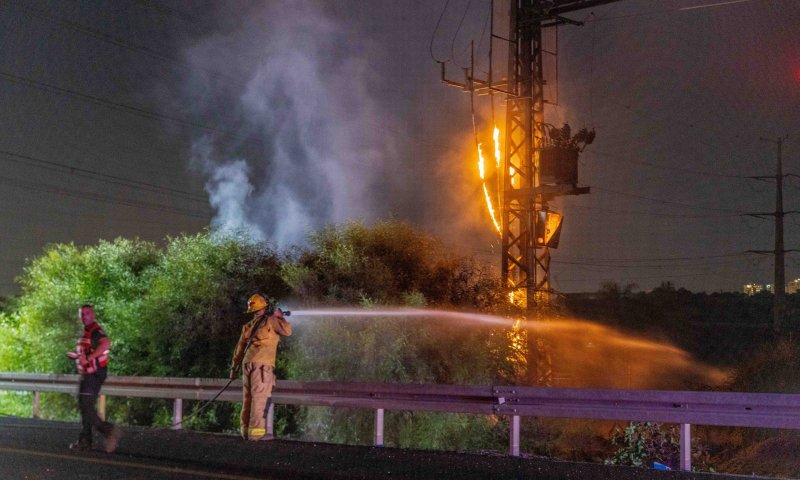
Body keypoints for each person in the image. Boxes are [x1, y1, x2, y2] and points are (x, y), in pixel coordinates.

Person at [229, 294, 292, 441]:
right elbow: (287, 331)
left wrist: (234, 370)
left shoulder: (248, 326)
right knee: (259, 399)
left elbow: (239, 350)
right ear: (265, 307)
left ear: (252, 310)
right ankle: (256, 435)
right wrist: (280, 317)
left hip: (247, 365)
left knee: (248, 399)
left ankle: (245, 432)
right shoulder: (271, 320)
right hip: (262, 366)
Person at [69, 304, 122, 452]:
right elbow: (87, 351)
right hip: (88, 373)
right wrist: (77, 356)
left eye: (87, 313)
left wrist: (91, 357)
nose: (84, 316)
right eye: (81, 314)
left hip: (94, 374)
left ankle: (108, 431)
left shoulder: (95, 330)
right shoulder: (86, 332)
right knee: (84, 405)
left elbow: (105, 344)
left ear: (93, 315)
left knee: (86, 406)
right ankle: (85, 440)